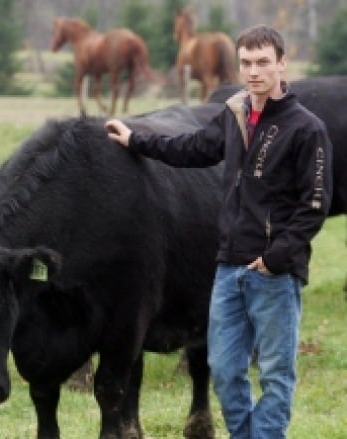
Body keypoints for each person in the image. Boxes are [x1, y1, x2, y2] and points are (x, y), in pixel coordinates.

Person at [104, 25, 332, 438]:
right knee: (225, 372)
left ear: (282, 64)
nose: (254, 71)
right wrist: (136, 139)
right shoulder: (236, 114)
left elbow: (314, 205)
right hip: (227, 268)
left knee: (276, 373)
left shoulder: (307, 128)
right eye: (246, 63)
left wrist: (277, 256)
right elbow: (191, 148)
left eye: (263, 62)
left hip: (275, 272)